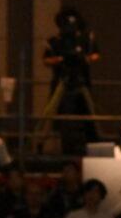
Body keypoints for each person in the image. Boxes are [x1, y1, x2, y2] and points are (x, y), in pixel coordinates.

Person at [42, 8, 100, 154]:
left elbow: (96, 55)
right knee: (61, 120)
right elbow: (46, 60)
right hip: (61, 83)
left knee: (88, 117)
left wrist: (84, 59)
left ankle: (93, 146)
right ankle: (51, 146)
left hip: (82, 82)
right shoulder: (55, 41)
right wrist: (61, 59)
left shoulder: (85, 39)